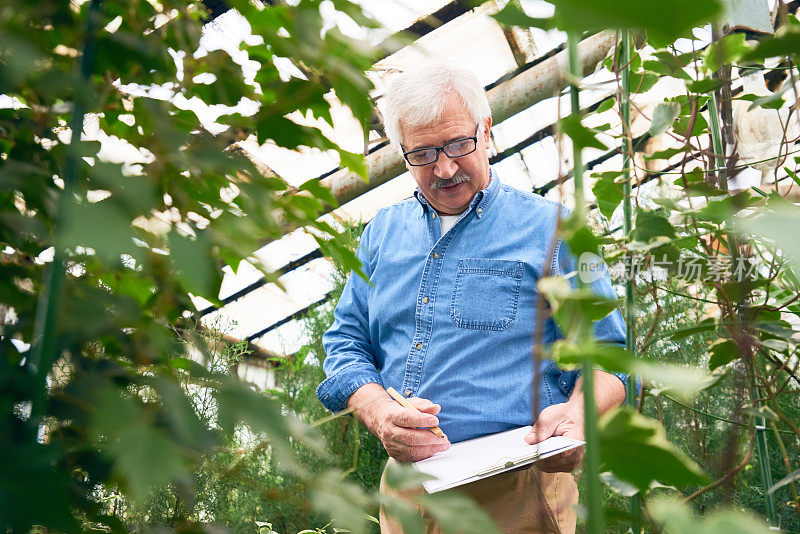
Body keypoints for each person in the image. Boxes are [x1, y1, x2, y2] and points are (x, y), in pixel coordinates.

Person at [316, 63, 627, 534]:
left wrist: (578, 415)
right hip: (405, 493)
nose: (443, 168)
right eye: (422, 154)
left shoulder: (555, 229)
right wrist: (381, 416)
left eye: (458, 145)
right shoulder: (380, 234)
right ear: (402, 154)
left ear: (487, 131)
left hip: (516, 491)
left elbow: (607, 355)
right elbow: (345, 346)